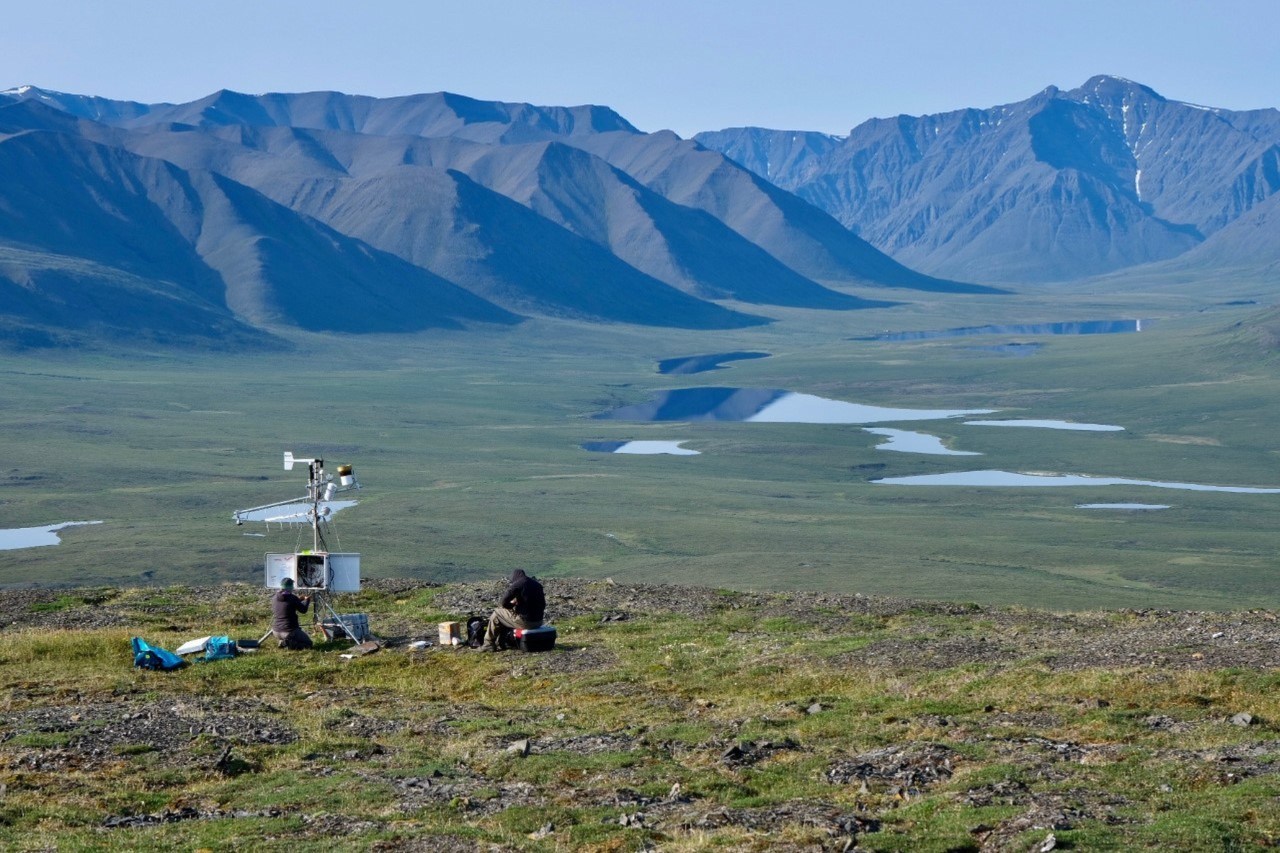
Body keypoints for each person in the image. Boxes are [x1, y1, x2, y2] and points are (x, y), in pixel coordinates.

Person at [481, 569, 545, 651]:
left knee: (497, 613)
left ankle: (488, 644)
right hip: (539, 622)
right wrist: (518, 602)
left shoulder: (517, 584)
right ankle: (502, 641)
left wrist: (511, 605)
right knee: (507, 615)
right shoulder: (536, 584)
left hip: (527, 623)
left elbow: (503, 602)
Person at [272, 577, 313, 650]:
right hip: (289, 631)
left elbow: (287, 605)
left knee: (293, 637)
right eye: (292, 586)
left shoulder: (275, 597)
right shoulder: (292, 598)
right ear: (290, 587)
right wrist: (307, 600)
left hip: (275, 631)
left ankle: (283, 641)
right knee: (308, 644)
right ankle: (288, 644)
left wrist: (298, 600)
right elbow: (303, 610)